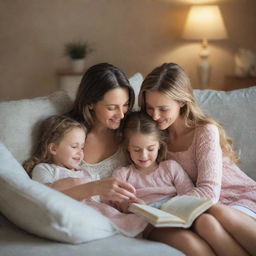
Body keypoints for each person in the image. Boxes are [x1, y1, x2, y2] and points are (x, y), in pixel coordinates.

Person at [138, 62, 256, 255]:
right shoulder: (156, 139)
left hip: (237, 198)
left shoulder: (204, 131)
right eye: (150, 108)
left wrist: (164, 207)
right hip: (202, 209)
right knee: (206, 222)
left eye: (163, 109)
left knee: (215, 213)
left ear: (182, 102)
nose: (155, 115)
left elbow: (210, 192)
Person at [112, 111, 251, 256]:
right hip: (151, 224)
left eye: (150, 149)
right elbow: (117, 203)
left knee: (208, 223)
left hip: (178, 216)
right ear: (127, 147)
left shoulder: (171, 167)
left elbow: (189, 195)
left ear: (159, 144)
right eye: (137, 149)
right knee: (189, 242)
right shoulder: (122, 174)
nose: (144, 155)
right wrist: (130, 205)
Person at [28, 63, 138, 202]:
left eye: (125, 105)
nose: (121, 115)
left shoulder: (131, 132)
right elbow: (43, 193)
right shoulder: (68, 136)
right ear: (91, 103)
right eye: (111, 108)